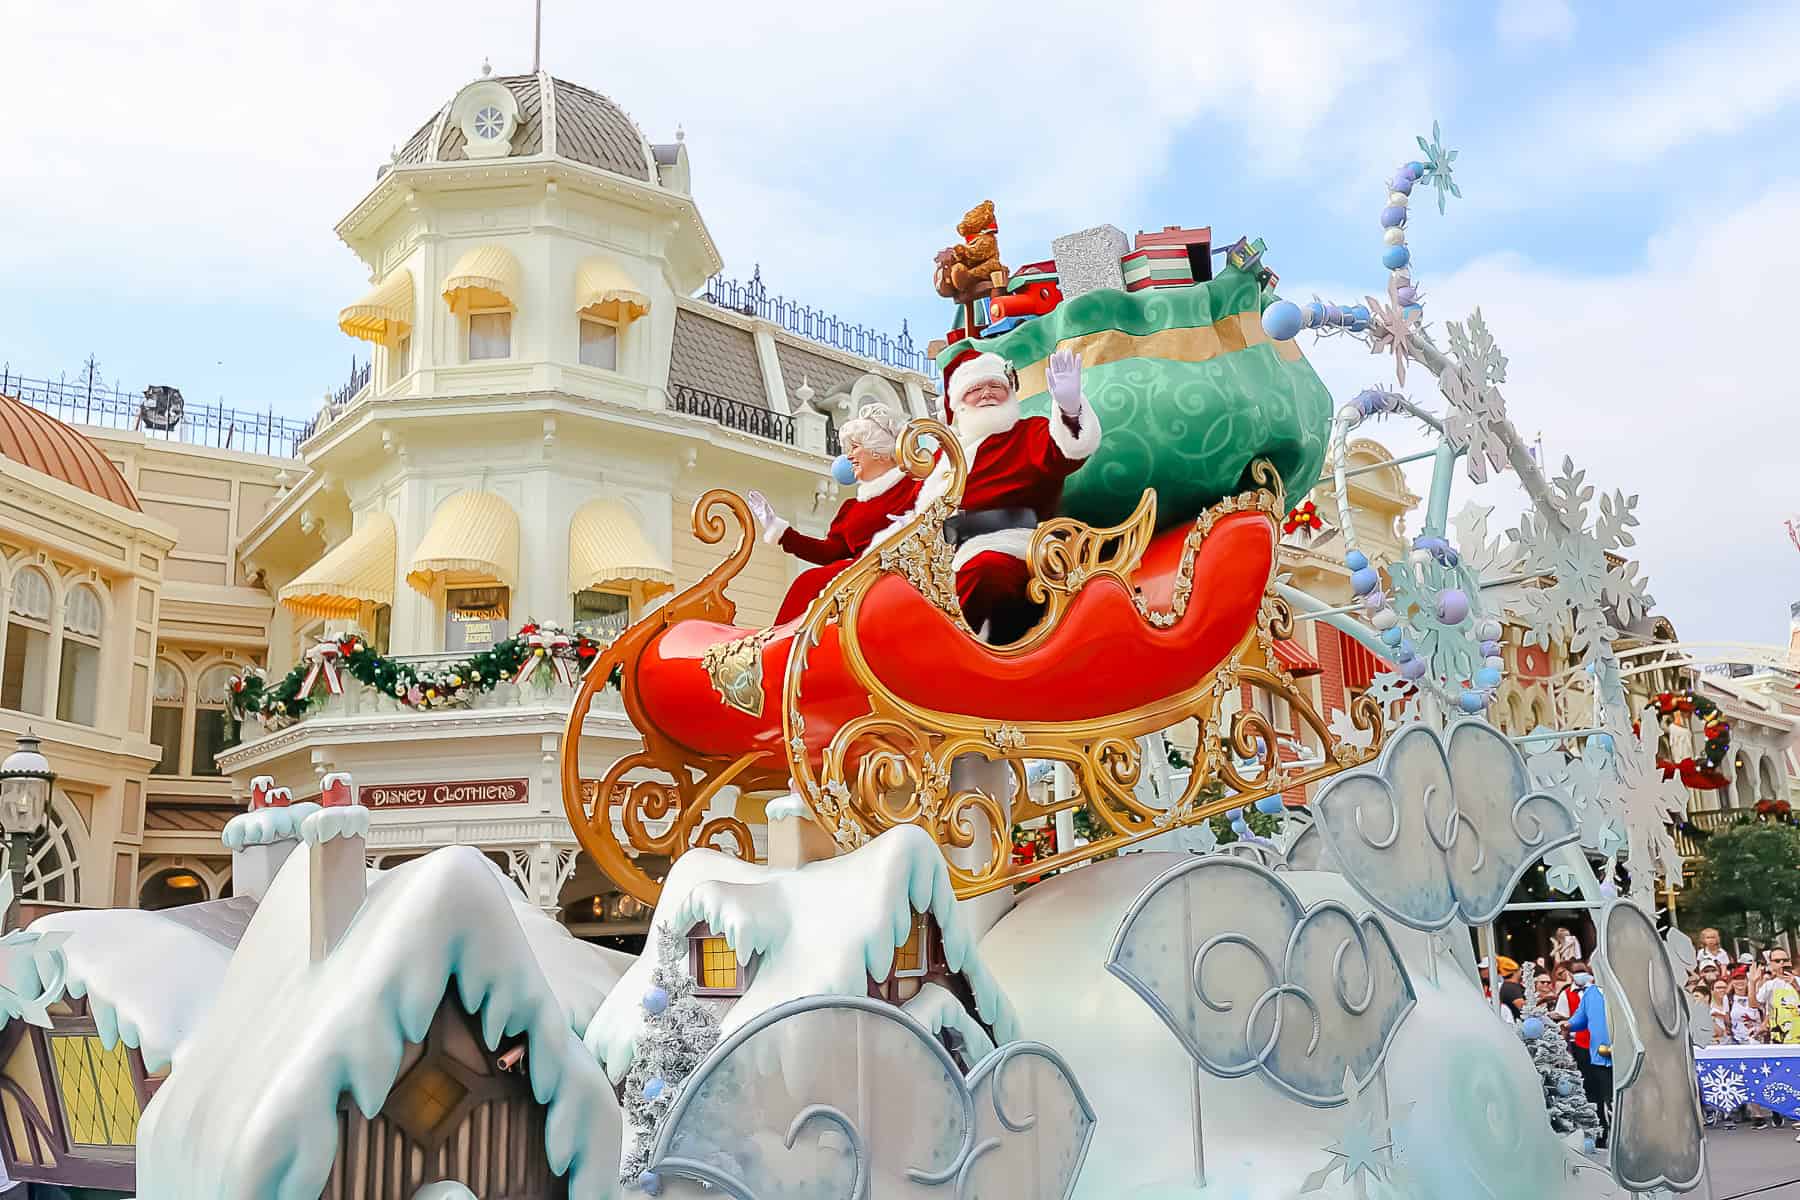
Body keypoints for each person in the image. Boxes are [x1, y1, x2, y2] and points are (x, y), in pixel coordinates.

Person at [914, 349, 1101, 642]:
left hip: (1013, 548)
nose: (987, 393)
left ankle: (951, 659)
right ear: (960, 403)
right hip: (941, 557)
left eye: (996, 386)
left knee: (985, 573)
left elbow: (1065, 452)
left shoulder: (1028, 433)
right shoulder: (945, 458)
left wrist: (1070, 409)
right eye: (976, 389)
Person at [747, 404, 921, 625]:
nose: (848, 457)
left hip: (890, 576)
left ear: (878, 451)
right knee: (809, 580)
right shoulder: (852, 507)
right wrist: (782, 532)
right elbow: (829, 552)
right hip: (858, 577)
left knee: (816, 580)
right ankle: (782, 645)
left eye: (855, 447)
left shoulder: (911, 488)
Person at [1567, 972, 1612, 1148]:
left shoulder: (1621, 990)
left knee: (1621, 1097)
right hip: (1600, 1055)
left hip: (1624, 1054)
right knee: (1602, 1097)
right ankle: (1603, 1135)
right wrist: (1568, 1024)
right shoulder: (1591, 993)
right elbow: (1580, 1019)